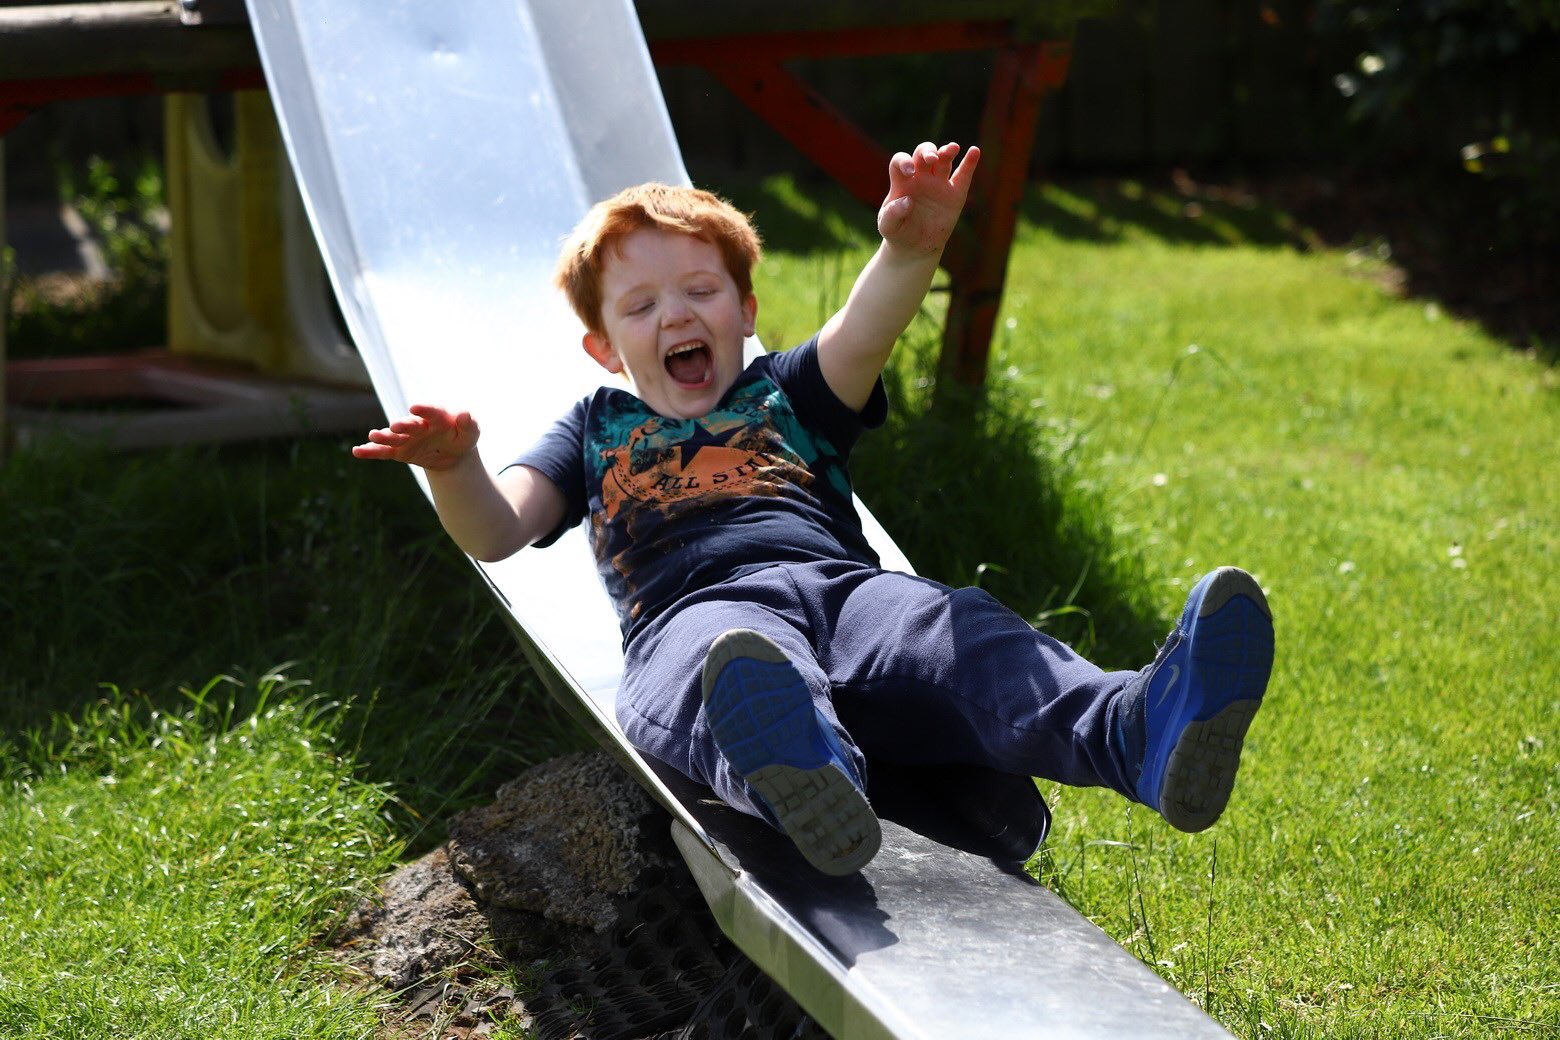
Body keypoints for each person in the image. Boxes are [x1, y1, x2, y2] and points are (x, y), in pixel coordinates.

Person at [354, 142, 1275, 876]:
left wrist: (910, 247)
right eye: (641, 305)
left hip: (847, 594)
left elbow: (864, 329)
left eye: (701, 291)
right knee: (726, 675)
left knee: (963, 632)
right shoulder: (592, 431)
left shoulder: (785, 392)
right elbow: (499, 529)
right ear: (603, 348)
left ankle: (1136, 727)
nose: (676, 314)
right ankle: (806, 777)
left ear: (746, 309)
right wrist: (455, 465)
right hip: (698, 614)